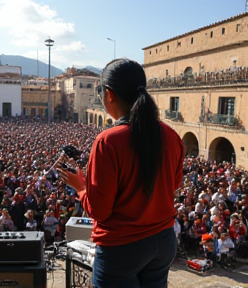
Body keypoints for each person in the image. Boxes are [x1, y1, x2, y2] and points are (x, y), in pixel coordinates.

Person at [58, 58, 185, 288]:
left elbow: (100, 211)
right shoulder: (171, 135)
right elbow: (173, 184)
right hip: (163, 242)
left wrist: (81, 187)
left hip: (122, 248)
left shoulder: (108, 141)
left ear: (109, 94)